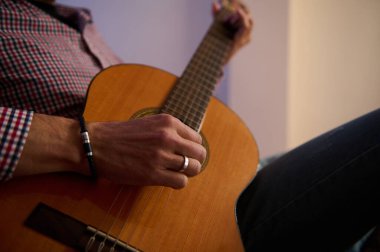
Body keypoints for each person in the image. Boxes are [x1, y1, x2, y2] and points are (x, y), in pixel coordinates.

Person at [0, 0, 378, 251]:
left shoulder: (76, 24)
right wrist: (87, 143)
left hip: (214, 204)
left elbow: (156, 123)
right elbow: (112, 138)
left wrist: (219, 53)